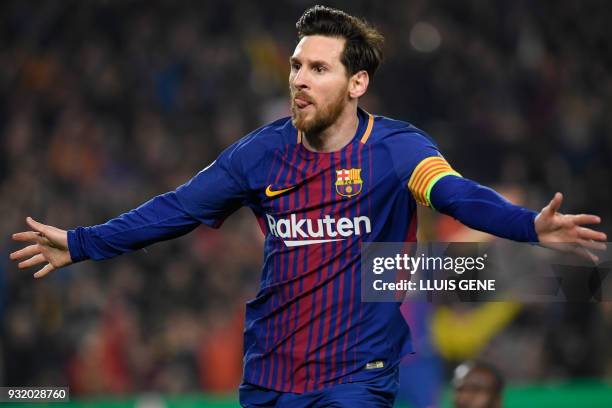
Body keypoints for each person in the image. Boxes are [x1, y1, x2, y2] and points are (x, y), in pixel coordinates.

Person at [9, 5, 606, 408]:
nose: (298, 78)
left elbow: (456, 194)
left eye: (318, 68)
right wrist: (84, 242)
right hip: (269, 375)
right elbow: (176, 209)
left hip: (354, 378)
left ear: (356, 83)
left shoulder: (398, 149)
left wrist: (527, 226)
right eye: (296, 65)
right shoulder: (259, 154)